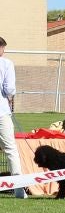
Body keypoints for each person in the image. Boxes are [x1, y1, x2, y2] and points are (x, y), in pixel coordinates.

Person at [0, 35, 24, 198]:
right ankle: (18, 189)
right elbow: (10, 89)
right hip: (1, 112)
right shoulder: (6, 64)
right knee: (10, 150)